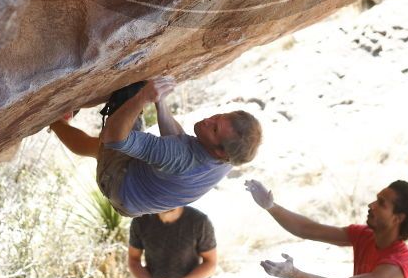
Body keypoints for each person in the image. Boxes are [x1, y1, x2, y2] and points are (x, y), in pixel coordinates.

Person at [50, 77, 262, 217]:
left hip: (118, 183)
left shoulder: (176, 156)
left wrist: (142, 97)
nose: (208, 121)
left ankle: (55, 121)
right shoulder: (232, 155)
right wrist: (160, 104)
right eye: (218, 117)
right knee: (101, 150)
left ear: (219, 151)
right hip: (135, 200)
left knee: (129, 94)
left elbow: (113, 137)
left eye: (214, 129)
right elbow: (180, 139)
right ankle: (61, 126)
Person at [246, 179, 408, 278]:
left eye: (381, 203)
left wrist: (293, 274)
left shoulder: (398, 267)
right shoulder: (365, 236)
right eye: (376, 199)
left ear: (397, 218)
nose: (371, 205)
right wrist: (271, 207)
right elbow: (308, 229)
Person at [128, 206, 217, 278]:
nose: (166, 202)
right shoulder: (140, 221)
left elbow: (211, 263)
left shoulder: (199, 221)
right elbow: (133, 260)